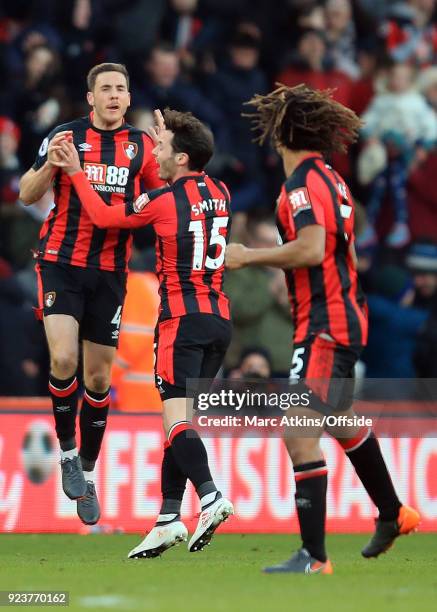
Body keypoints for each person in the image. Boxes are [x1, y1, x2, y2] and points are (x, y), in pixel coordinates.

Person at [226, 84, 420, 574]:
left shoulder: (302, 186)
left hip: (327, 322)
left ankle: (314, 557)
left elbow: (313, 250)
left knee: (298, 431)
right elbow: (346, 253)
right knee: (339, 418)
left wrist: (250, 256)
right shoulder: (331, 179)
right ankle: (395, 512)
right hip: (338, 315)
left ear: (284, 132)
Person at [49, 108, 234, 558]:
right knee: (180, 422)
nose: (156, 151)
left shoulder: (165, 200)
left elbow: (105, 217)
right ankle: (168, 518)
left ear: (183, 158)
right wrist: (168, 148)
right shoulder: (222, 191)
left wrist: (75, 173)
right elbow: (182, 187)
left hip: (181, 323)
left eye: (164, 148)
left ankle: (210, 497)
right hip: (219, 321)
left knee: (176, 424)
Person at [18, 62, 164, 526]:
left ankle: (86, 470)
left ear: (128, 96)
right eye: (106, 88)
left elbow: (162, 201)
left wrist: (171, 155)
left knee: (99, 379)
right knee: (64, 360)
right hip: (61, 262)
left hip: (110, 272)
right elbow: (25, 191)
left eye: (122, 87)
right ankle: (66, 451)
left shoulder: (142, 147)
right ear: (91, 97)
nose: (115, 95)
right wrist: (53, 170)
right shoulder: (65, 136)